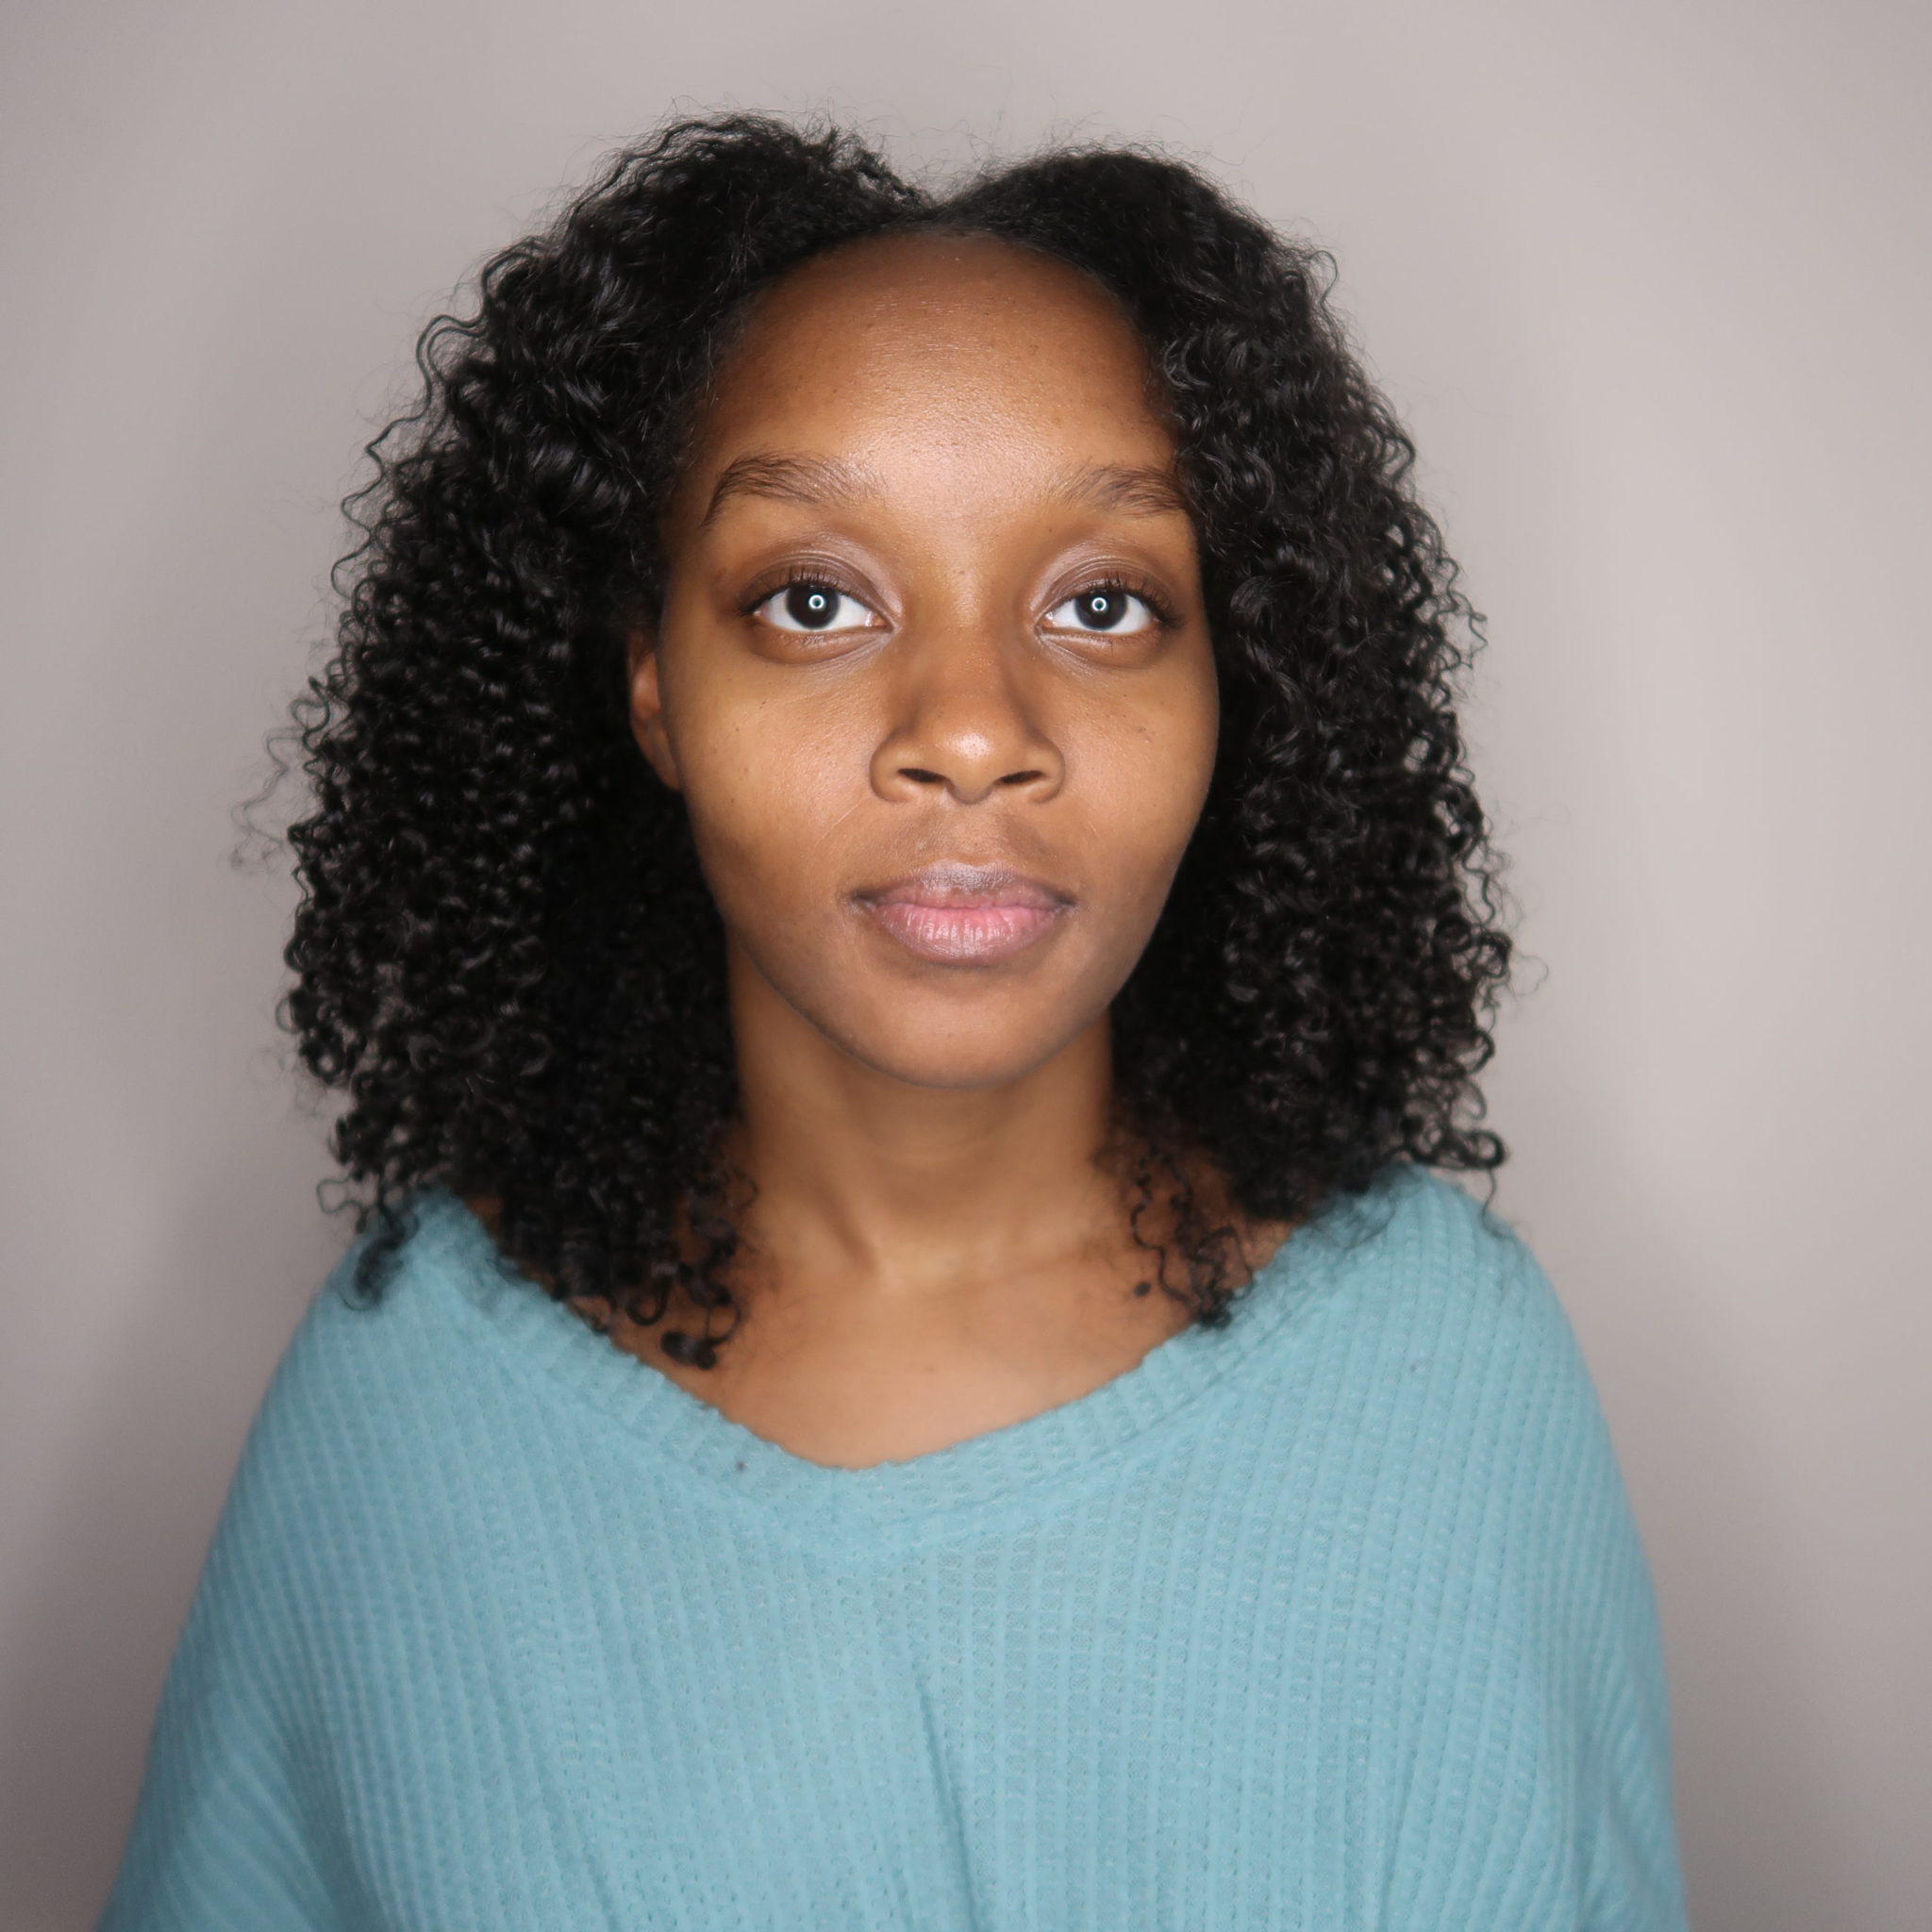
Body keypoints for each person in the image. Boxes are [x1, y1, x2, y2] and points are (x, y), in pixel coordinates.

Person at [101, 113, 1688, 1928]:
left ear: (1235, 687)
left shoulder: (1447, 1374)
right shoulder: (403, 1410)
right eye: (814, 598)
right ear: (651, 687)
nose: (969, 725)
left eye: (1103, 603)